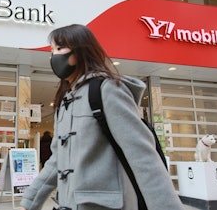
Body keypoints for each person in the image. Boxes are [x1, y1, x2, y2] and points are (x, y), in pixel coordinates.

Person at [20, 24, 184, 210]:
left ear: (81, 51)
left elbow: (142, 156)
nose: (54, 56)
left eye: (59, 49)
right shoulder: (65, 102)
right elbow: (56, 161)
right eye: (51, 51)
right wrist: (29, 202)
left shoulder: (107, 90)